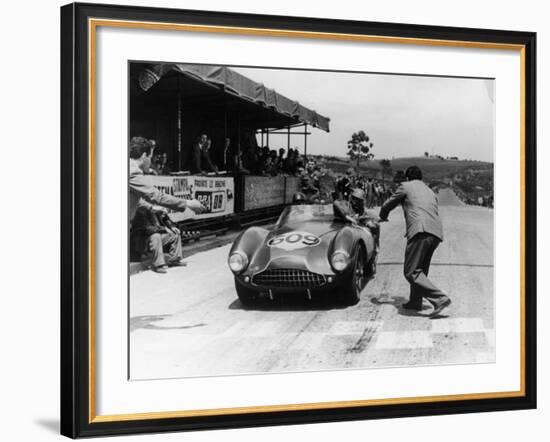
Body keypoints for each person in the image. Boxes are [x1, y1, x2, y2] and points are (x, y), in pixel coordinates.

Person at [379, 165, 451, 316]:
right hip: (436, 233)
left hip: (420, 230)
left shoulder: (405, 186)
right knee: (421, 270)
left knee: (411, 272)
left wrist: (383, 215)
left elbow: (388, 204)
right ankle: (415, 301)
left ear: (407, 177)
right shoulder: (429, 190)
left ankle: (440, 298)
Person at [129, 136, 205, 272]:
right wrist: (188, 203)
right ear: (144, 156)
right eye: (150, 158)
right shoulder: (132, 172)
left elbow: (133, 199)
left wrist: (152, 208)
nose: (150, 162)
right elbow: (156, 196)